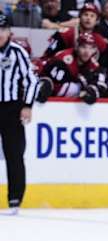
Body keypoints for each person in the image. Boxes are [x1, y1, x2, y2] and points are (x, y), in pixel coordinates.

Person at [0, 15, 39, 215]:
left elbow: (32, 81)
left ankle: (15, 200)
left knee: (14, 155)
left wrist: (27, 105)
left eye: (2, 29)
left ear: (9, 32)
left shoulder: (18, 52)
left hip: (11, 109)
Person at [36, 33, 107, 105]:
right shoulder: (63, 60)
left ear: (95, 50)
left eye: (91, 48)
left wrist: (92, 90)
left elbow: (100, 87)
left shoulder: (94, 65)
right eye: (83, 47)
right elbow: (55, 89)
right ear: (77, 47)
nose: (87, 52)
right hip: (41, 80)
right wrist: (81, 85)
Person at [42, 3, 108, 59]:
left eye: (92, 16)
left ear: (96, 21)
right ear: (79, 17)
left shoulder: (99, 39)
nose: (88, 18)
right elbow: (48, 55)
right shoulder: (65, 34)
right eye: (85, 14)